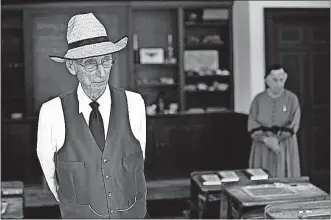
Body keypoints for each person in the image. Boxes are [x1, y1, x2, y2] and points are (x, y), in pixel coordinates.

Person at [36, 13, 148, 219]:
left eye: (106, 61)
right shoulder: (52, 112)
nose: (101, 73)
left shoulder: (134, 103)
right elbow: (52, 178)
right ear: (71, 66)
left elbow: (139, 158)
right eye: (90, 63)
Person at [247, 64, 301, 178]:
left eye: (281, 80)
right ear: (267, 81)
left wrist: (277, 139)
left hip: (284, 145)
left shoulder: (292, 98)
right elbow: (252, 123)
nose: (279, 84)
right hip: (262, 147)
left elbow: (294, 123)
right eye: (275, 80)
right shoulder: (258, 100)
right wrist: (266, 139)